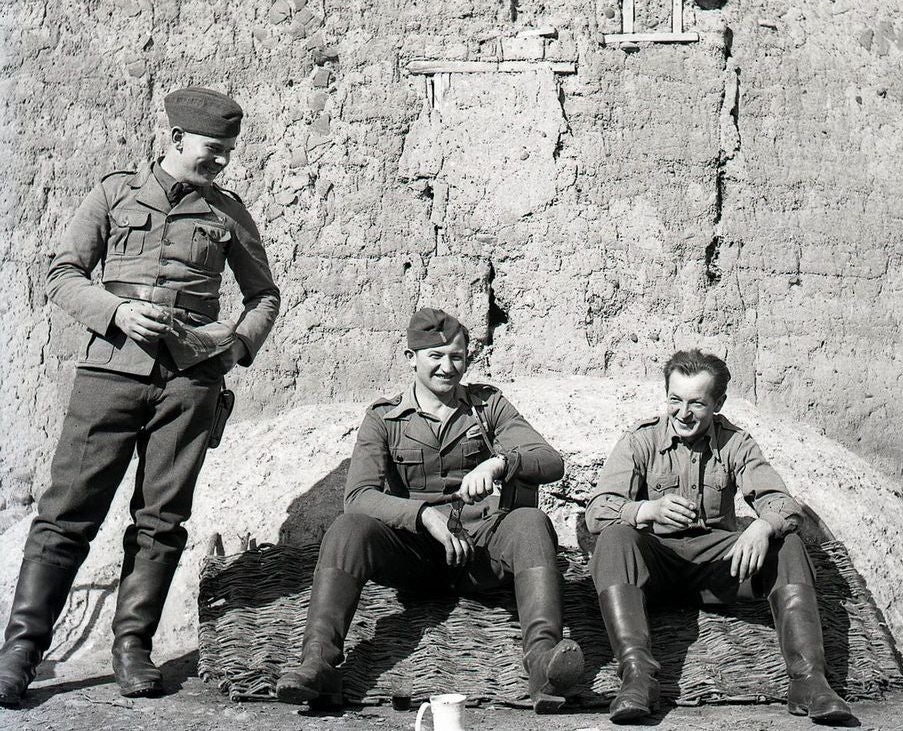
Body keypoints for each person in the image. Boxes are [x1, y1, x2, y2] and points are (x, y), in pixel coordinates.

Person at [0, 87, 280, 707]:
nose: (221, 163)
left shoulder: (228, 213)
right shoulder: (113, 194)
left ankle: (133, 649)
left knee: (161, 518)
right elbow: (62, 273)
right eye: (212, 150)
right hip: (110, 374)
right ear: (177, 139)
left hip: (189, 382)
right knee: (67, 511)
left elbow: (264, 296)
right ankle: (21, 650)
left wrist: (233, 350)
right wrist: (119, 311)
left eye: (229, 152)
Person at [276, 307, 584, 713]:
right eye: (435, 357)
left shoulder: (487, 406)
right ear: (411, 359)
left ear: (468, 359)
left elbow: (549, 460)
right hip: (414, 554)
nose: (446, 367)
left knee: (531, 522)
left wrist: (499, 463)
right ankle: (318, 662)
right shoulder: (384, 418)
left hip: (482, 553)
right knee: (347, 528)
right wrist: (421, 516)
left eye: (456, 357)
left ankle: (544, 663)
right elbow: (359, 495)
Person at [585, 348, 853, 725]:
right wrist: (647, 510)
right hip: (655, 567)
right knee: (614, 539)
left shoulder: (736, 443)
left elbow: (784, 504)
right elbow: (597, 511)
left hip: (719, 571)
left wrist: (762, 526)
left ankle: (809, 682)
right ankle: (637, 678)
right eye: (675, 400)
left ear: (718, 403)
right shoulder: (640, 440)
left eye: (696, 403)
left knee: (788, 544)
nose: (683, 413)